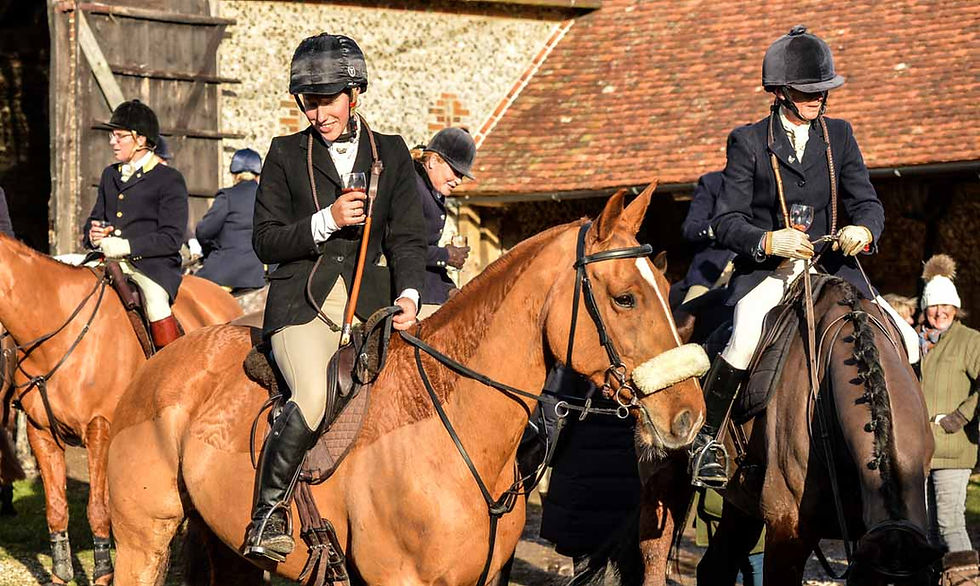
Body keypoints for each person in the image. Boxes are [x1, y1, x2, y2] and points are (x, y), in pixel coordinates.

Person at [689, 25, 920, 488]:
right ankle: (707, 441)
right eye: (806, 91)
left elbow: (869, 202)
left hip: (833, 266)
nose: (818, 99)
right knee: (745, 335)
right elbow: (729, 218)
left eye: (822, 90)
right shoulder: (749, 141)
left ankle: (907, 445)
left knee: (909, 340)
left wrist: (863, 229)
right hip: (771, 271)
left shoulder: (840, 135)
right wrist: (769, 241)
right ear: (779, 92)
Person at [243, 33, 426, 562]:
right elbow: (264, 239)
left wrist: (411, 293)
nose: (317, 112)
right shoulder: (283, 154)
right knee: (315, 395)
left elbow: (409, 238)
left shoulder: (390, 152)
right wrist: (326, 221)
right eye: (308, 101)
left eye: (327, 99)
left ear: (355, 94)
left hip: (375, 302)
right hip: (302, 302)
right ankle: (268, 514)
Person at [83, 99, 188, 349]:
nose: (112, 142)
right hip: (107, 260)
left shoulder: (169, 179)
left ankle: (168, 362)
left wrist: (125, 246)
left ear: (140, 140)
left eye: (119, 136)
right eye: (112, 136)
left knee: (155, 304)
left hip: (151, 267)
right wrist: (93, 233)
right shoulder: (110, 174)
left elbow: (172, 238)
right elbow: (97, 217)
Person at [917, 255, 978, 570]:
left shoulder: (970, 341)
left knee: (950, 524)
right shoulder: (914, 342)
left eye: (945, 306)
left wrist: (959, 418)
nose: (939, 312)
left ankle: (965, 579)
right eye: (932, 306)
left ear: (955, 308)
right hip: (917, 452)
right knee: (926, 532)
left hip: (952, 449)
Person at [412, 127, 474, 319]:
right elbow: (405, 248)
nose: (458, 180)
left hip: (424, 290)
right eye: (455, 171)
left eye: (461, 175)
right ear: (432, 161)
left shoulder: (430, 190)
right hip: (404, 294)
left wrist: (449, 289)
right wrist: (445, 255)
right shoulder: (412, 187)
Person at [194, 148, 266, 291]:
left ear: (235, 175)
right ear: (257, 175)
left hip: (222, 274)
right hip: (254, 277)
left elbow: (204, 231)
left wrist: (211, 249)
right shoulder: (267, 199)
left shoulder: (227, 196)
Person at [676, 171, 736, 305]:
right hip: (712, 272)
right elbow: (690, 228)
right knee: (688, 311)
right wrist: (717, 227)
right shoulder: (712, 182)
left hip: (758, 266)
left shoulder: (767, 181)